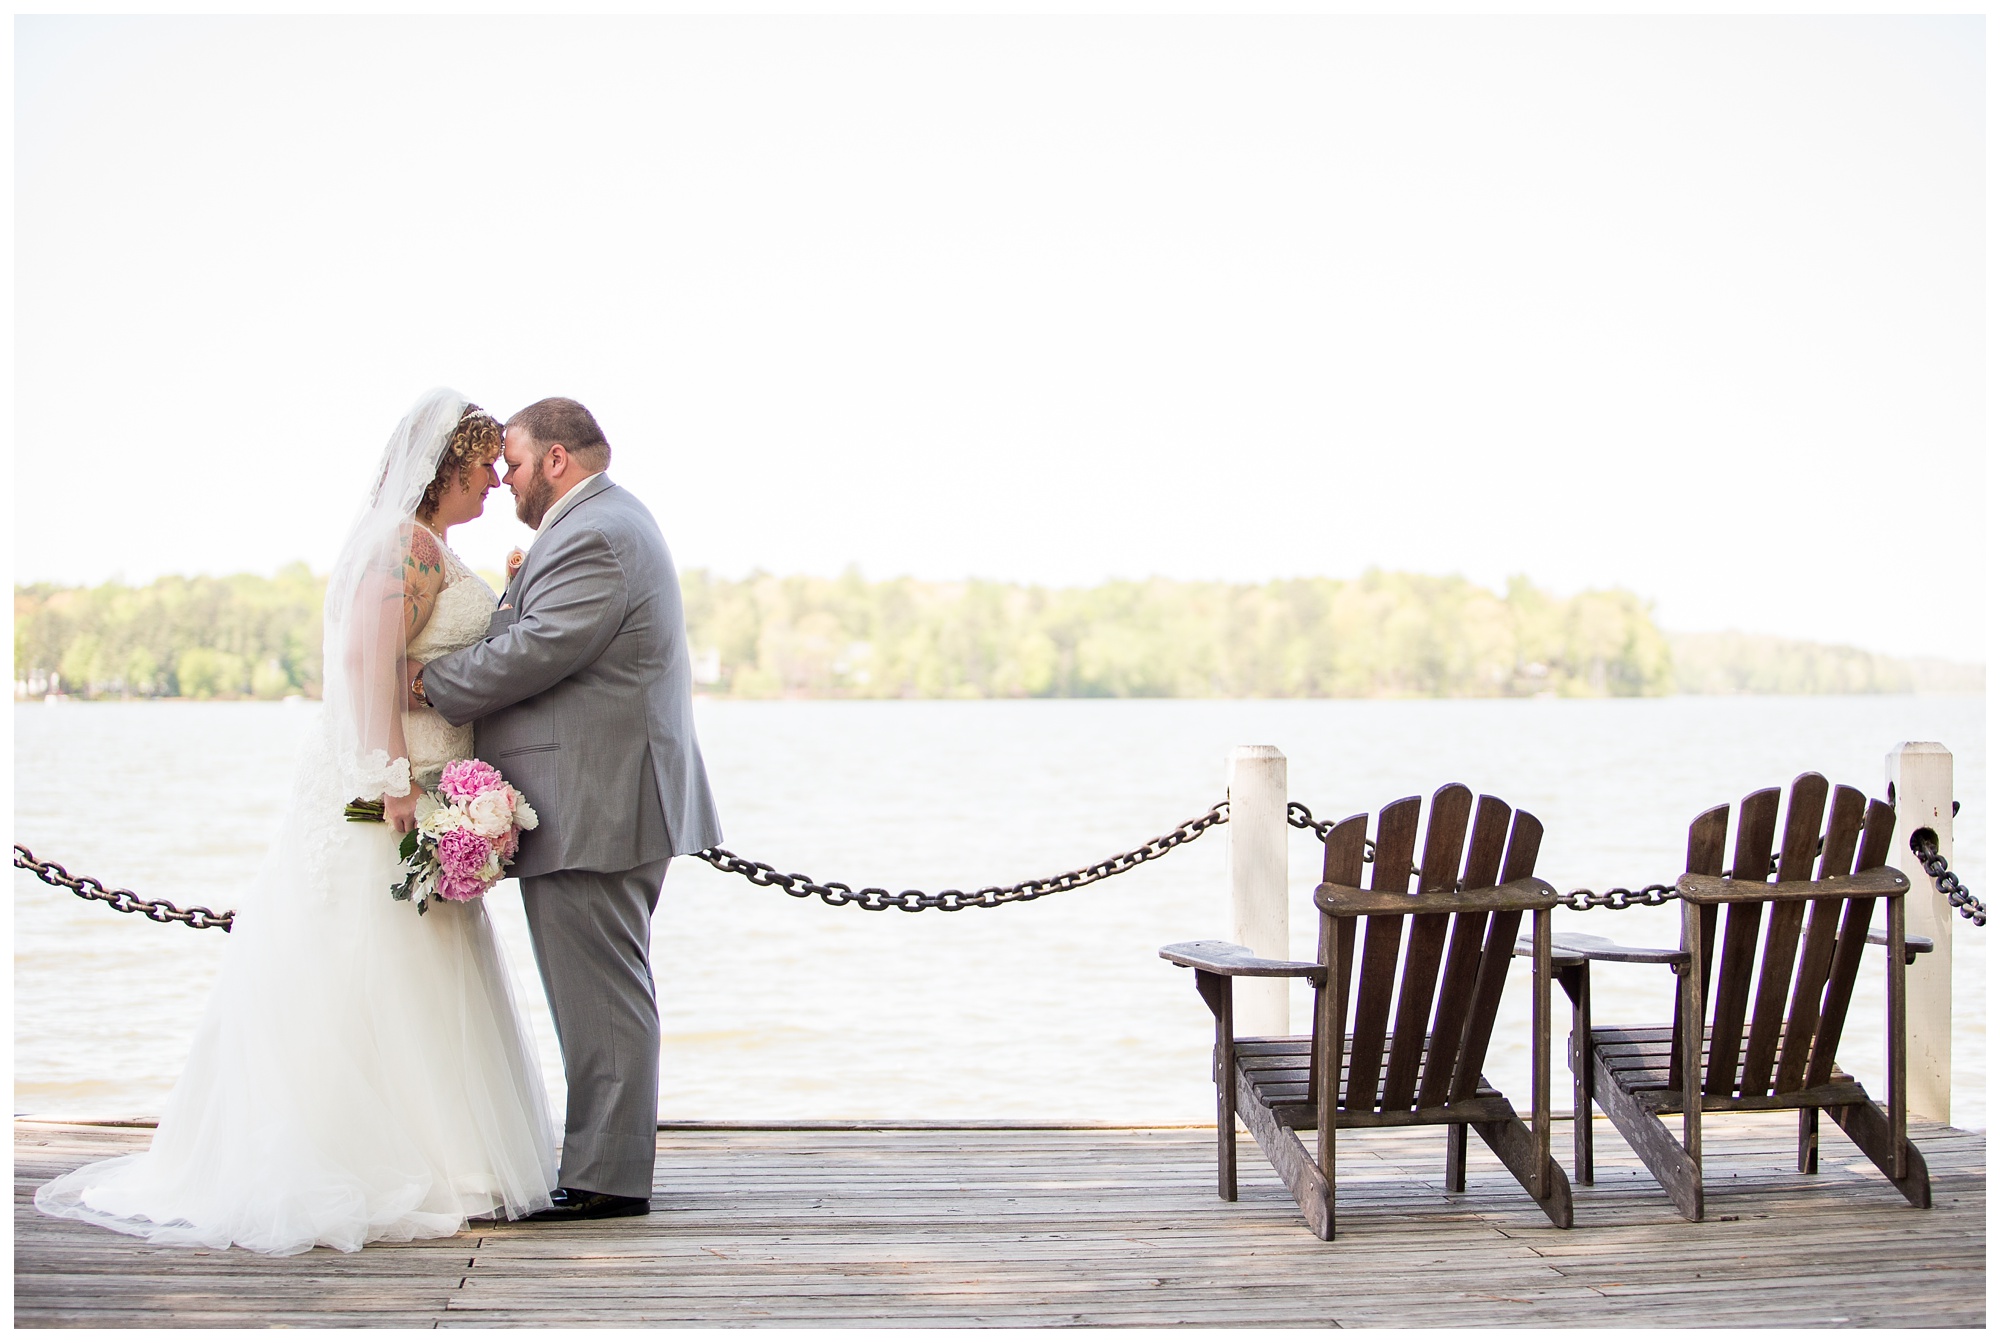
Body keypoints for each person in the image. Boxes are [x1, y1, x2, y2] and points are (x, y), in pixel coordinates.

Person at [36, 389, 558, 1255]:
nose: (493, 487)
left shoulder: (434, 549)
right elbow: (366, 662)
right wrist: (394, 781)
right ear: (448, 470)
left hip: (436, 782)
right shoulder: (403, 547)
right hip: (388, 792)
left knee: (421, 969)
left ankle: (444, 1150)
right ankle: (366, 1153)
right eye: (481, 472)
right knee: (367, 962)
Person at [413, 396, 722, 1222]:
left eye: (511, 462)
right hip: (599, 792)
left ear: (556, 459)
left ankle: (606, 1181)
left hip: (600, 799)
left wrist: (430, 684)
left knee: (603, 992)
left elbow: (539, 648)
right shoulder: (601, 524)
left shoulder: (596, 532)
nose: (503, 479)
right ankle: (599, 1168)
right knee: (599, 989)